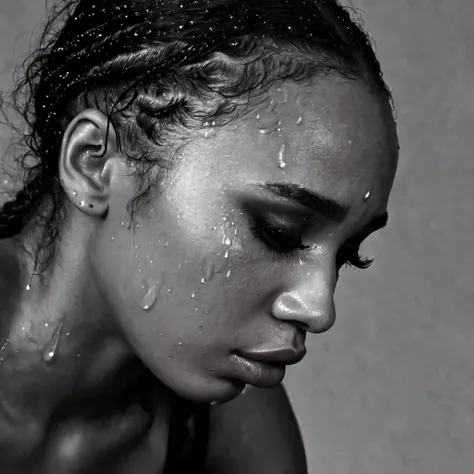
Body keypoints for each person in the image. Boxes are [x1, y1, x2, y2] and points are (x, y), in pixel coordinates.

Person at [0, 0, 399, 472]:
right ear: (94, 164)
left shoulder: (232, 428)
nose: (318, 308)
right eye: (280, 232)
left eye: (347, 254)